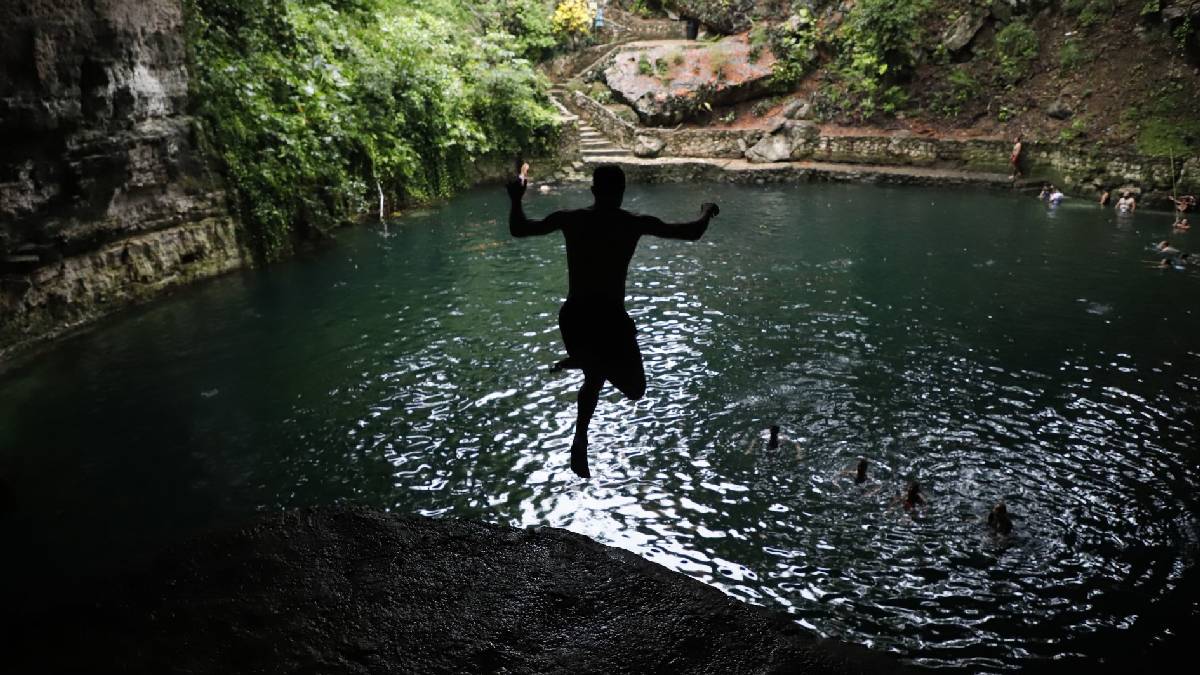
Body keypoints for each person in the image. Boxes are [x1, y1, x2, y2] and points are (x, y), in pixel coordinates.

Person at [508, 164, 719, 478]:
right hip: (609, 319)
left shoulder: (570, 218)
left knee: (594, 375)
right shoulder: (632, 223)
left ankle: (581, 410)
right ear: (622, 192)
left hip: (576, 318)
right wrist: (706, 211)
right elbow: (691, 232)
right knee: (634, 389)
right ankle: (584, 362)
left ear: (593, 191)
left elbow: (520, 229)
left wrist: (516, 198)